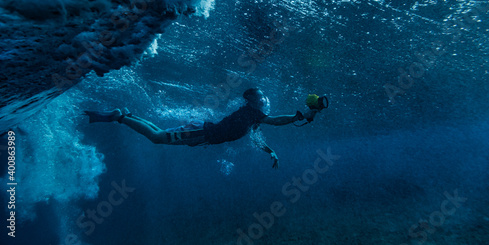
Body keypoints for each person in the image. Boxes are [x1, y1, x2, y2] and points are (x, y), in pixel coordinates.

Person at [84, 88, 319, 168]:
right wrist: (300, 115)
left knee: (160, 134)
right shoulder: (250, 112)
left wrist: (271, 152)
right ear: (254, 102)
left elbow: (256, 138)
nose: (263, 103)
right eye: (260, 100)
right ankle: (120, 117)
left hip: (202, 134)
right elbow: (277, 121)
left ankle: (126, 116)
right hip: (201, 132)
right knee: (157, 137)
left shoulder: (252, 117)